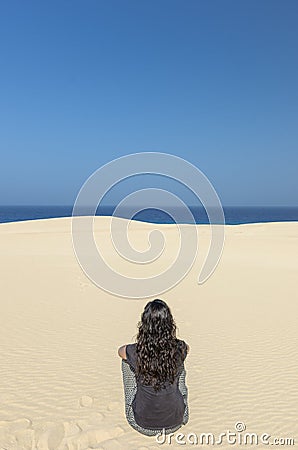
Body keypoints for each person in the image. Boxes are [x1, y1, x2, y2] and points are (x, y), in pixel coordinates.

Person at [118, 298, 189, 436]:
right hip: (176, 420)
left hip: (141, 423)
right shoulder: (180, 347)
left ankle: (136, 402)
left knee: (126, 361)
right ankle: (176, 403)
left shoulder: (136, 351)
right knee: (179, 361)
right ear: (169, 324)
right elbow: (187, 348)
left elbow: (120, 351)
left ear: (144, 325)